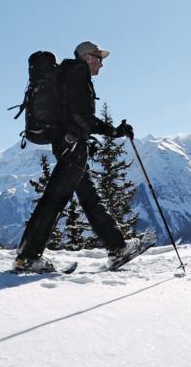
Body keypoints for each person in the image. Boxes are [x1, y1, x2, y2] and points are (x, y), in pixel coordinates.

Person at [13, 40, 149, 273]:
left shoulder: (68, 76)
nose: (101, 65)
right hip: (72, 148)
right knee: (54, 201)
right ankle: (27, 257)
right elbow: (82, 118)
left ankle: (117, 248)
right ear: (87, 57)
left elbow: (73, 117)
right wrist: (114, 131)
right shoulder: (77, 75)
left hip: (68, 145)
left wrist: (88, 135)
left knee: (89, 197)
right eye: (99, 58)